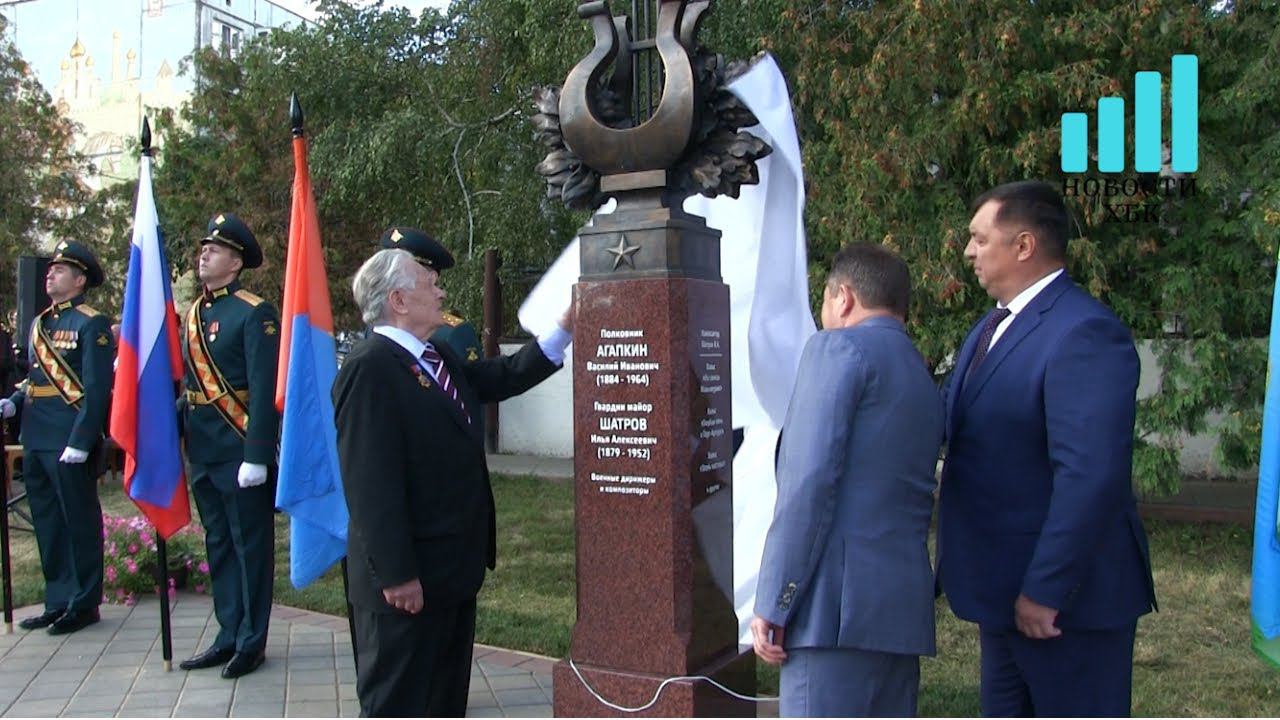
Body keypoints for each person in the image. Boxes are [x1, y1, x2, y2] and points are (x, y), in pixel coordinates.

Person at [937, 180, 1157, 716]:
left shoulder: (1083, 333)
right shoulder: (991, 327)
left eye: (979, 238)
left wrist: (1047, 588)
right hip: (1002, 595)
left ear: (1024, 245)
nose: (968, 251)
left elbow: (1089, 476)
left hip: (1064, 609)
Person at [333, 231, 571, 717]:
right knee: (399, 704)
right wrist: (397, 574)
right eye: (429, 283)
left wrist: (565, 328)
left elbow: (501, 377)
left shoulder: (433, 357)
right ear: (399, 300)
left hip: (449, 574)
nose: (441, 292)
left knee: (443, 701)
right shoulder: (371, 367)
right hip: (405, 585)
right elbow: (370, 484)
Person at [750, 244, 943, 717]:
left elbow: (808, 485)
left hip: (832, 612)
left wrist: (776, 600)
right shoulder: (921, 374)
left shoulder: (836, 348)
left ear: (844, 298)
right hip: (900, 608)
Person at [178, 212, 280, 679]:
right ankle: (227, 632)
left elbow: (264, 390)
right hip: (203, 449)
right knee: (218, 543)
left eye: (214, 249)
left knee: (249, 545)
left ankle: (250, 641)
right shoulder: (195, 314)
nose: (204, 254)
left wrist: (258, 454)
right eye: (203, 248)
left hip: (240, 449)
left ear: (236, 263)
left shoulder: (254, 312)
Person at [0, 241, 112, 635]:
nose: (50, 273)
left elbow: (97, 390)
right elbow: (36, 379)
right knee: (47, 521)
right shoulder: (38, 324)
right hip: (36, 434)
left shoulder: (91, 323)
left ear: (79, 280)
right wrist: (13, 402)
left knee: (77, 519)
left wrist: (82, 441)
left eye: (60, 270)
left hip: (68, 438)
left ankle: (84, 602)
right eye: (50, 269)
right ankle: (58, 598)